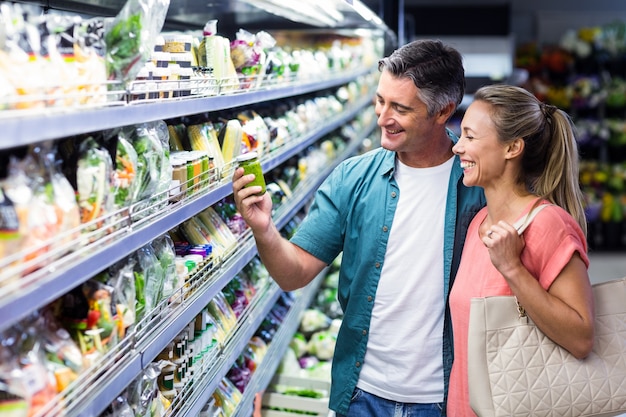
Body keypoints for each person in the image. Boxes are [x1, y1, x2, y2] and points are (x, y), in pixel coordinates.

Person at [232, 39, 485, 417]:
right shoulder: (354, 177)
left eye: (400, 107)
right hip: (362, 395)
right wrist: (264, 229)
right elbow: (294, 273)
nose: (382, 117)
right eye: (380, 100)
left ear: (442, 112)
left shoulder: (478, 185)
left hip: (447, 397)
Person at [447, 84, 595, 416]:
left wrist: (512, 268)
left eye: (470, 137)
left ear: (512, 147)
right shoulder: (479, 224)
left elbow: (581, 338)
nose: (458, 147)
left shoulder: (548, 225)